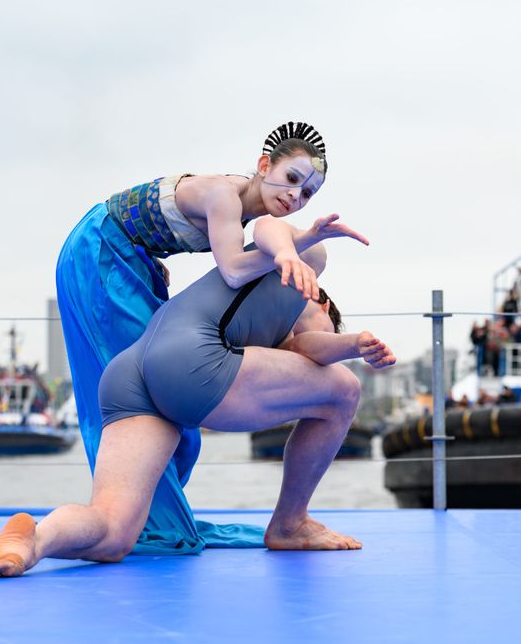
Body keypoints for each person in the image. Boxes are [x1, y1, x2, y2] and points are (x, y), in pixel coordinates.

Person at [0, 250, 396, 578]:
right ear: (320, 299)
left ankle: (34, 540)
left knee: (114, 533)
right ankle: (290, 522)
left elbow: (299, 347)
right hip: (188, 368)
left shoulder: (248, 295)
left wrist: (349, 345)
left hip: (129, 373)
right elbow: (308, 346)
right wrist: (352, 344)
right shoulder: (295, 279)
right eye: (329, 325)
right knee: (344, 389)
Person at [55, 122, 367, 553]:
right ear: (263, 165)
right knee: (146, 394)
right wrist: (300, 245)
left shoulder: (252, 216)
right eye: (292, 179)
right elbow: (235, 270)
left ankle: (116, 520)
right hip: (102, 252)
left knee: (157, 403)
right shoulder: (225, 196)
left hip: (132, 257)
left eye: (308, 193)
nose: (295, 196)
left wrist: (147, 258)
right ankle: (154, 521)